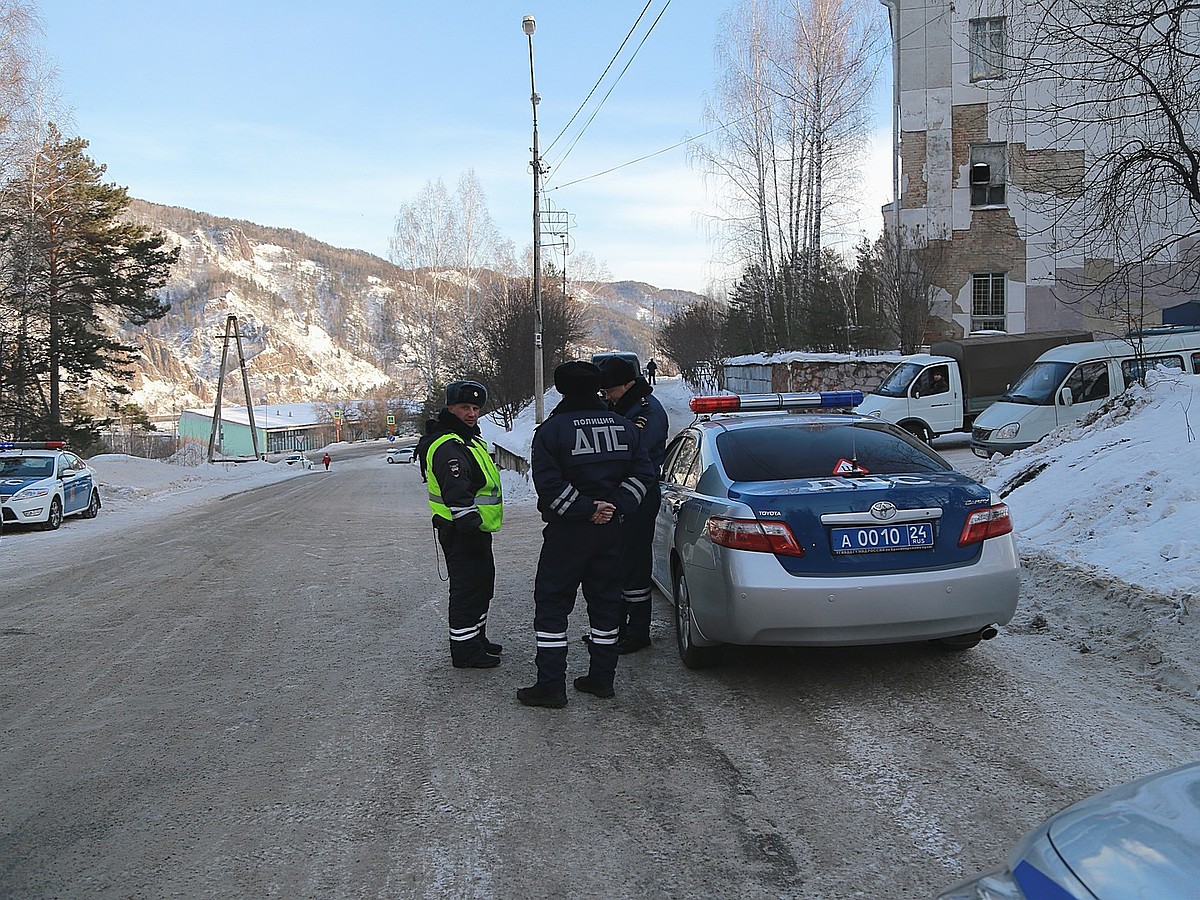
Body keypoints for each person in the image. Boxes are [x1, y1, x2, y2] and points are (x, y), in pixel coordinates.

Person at [517, 361, 658, 708]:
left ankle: (551, 685)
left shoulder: (551, 432)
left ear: (561, 390)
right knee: (606, 603)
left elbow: (549, 486)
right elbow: (645, 474)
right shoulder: (625, 427)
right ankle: (601, 679)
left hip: (568, 533)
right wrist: (615, 506)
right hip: (611, 530)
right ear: (597, 388)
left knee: (552, 606)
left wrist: (586, 509)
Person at [415, 380, 505, 669]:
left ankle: (476, 638)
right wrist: (472, 527)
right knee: (468, 590)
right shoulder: (449, 445)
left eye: (476, 408)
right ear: (450, 408)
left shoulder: (467, 440)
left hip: (474, 531)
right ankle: (465, 651)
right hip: (463, 531)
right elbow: (458, 493)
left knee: (481, 587)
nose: (472, 413)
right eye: (465, 407)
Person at [598, 355, 668, 654]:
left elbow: (630, 453)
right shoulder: (624, 406)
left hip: (639, 495)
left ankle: (637, 632)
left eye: (610, 391)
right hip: (623, 494)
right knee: (618, 564)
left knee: (635, 565)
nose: (607, 397)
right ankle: (618, 629)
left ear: (627, 385)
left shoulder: (645, 412)